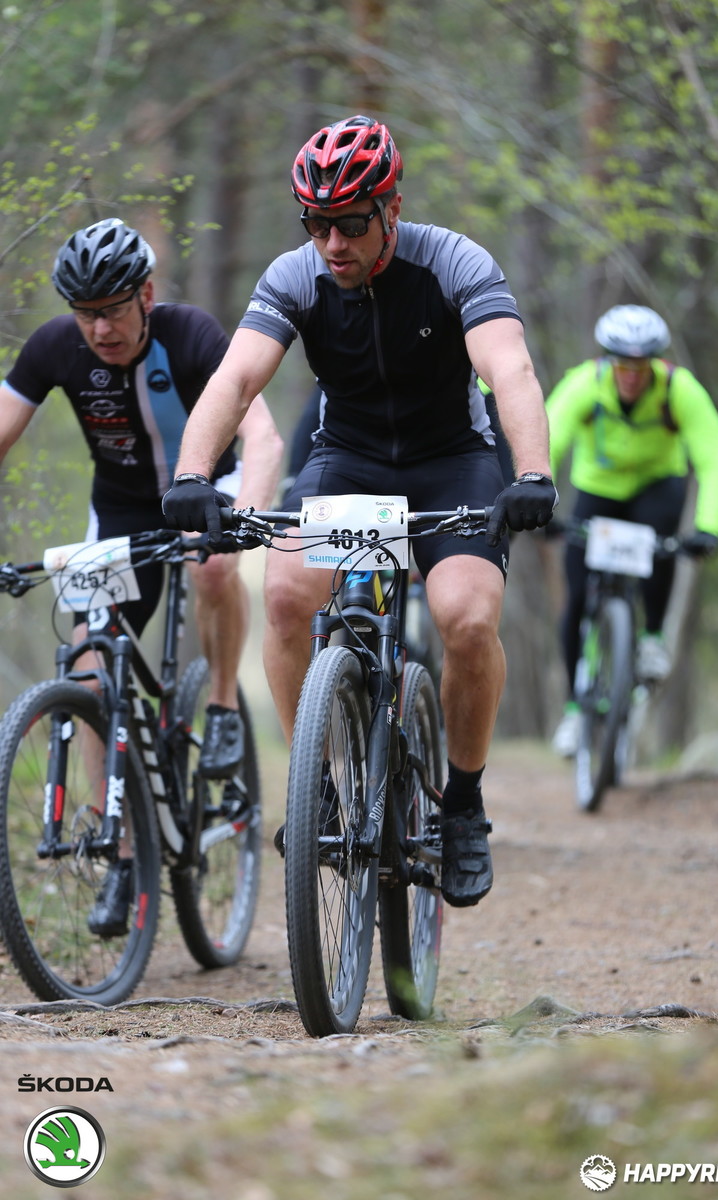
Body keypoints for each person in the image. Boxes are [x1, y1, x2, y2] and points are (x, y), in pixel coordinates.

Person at [162, 113, 558, 909]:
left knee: (467, 619)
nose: (333, 244)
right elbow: (236, 381)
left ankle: (465, 806)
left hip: (455, 458)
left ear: (392, 210)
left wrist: (533, 471)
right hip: (348, 456)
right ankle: (324, 788)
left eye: (349, 224)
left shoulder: (452, 262)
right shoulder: (293, 277)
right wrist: (193, 474)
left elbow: (509, 368)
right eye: (317, 224)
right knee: (281, 595)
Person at [0, 216, 283, 933]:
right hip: (122, 515)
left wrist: (242, 520)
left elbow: (263, 436)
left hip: (208, 490)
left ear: (146, 294)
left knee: (216, 572)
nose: (99, 329)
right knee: (93, 669)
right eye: (85, 313)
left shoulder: (189, 335)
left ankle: (219, 708)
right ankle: (120, 848)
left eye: (113, 310)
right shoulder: (54, 350)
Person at [547, 304, 718, 757]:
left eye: (640, 366)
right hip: (597, 488)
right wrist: (539, 503)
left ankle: (650, 640)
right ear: (608, 360)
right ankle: (576, 710)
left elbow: (714, 458)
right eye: (621, 365)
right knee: (575, 598)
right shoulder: (583, 384)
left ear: (654, 361)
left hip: (657, 485)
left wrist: (709, 527)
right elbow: (545, 438)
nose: (630, 375)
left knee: (660, 545)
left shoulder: (679, 390)